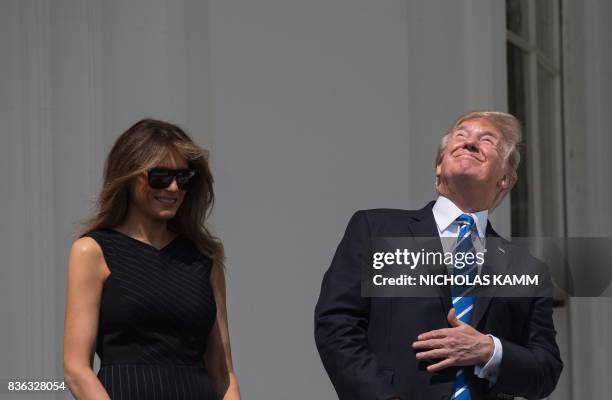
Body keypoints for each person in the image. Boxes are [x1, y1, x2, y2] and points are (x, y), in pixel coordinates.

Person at [314, 111, 563, 400]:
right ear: (438, 166)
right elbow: (337, 325)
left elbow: (545, 371)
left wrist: (489, 350)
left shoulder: (526, 268)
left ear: (505, 179)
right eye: (461, 135)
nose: (470, 143)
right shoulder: (376, 229)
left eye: (486, 140)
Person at [63, 119, 240, 399]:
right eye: (160, 176)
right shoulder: (92, 251)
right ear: (129, 176)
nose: (173, 188)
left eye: (183, 178)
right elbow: (76, 368)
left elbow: (222, 372)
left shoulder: (205, 257)